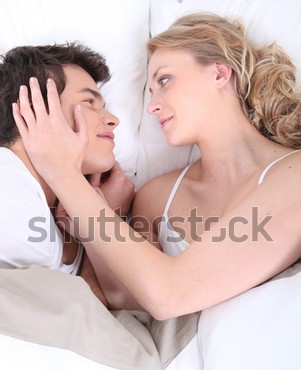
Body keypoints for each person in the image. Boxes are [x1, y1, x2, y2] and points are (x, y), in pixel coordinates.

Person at [13, 12, 301, 319]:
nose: (151, 106)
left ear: (219, 73)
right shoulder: (157, 196)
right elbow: (121, 296)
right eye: (150, 92)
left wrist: (64, 176)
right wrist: (99, 216)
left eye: (164, 80)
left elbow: (170, 295)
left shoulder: (293, 174)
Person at [0, 42, 135, 305]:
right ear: (33, 109)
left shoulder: (56, 211)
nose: (112, 119)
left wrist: (98, 214)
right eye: (89, 102)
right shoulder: (7, 188)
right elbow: (74, 320)